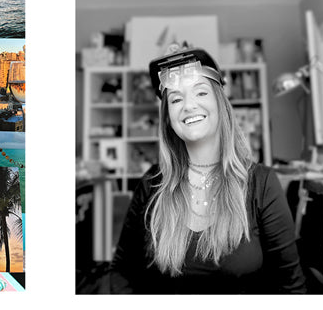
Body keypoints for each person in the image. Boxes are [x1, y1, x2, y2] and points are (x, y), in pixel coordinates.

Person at [110, 45, 306, 294]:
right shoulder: (152, 184)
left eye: (200, 93)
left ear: (220, 105)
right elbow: (122, 271)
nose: (189, 106)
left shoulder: (261, 183)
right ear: (168, 119)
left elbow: (291, 286)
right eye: (177, 99)